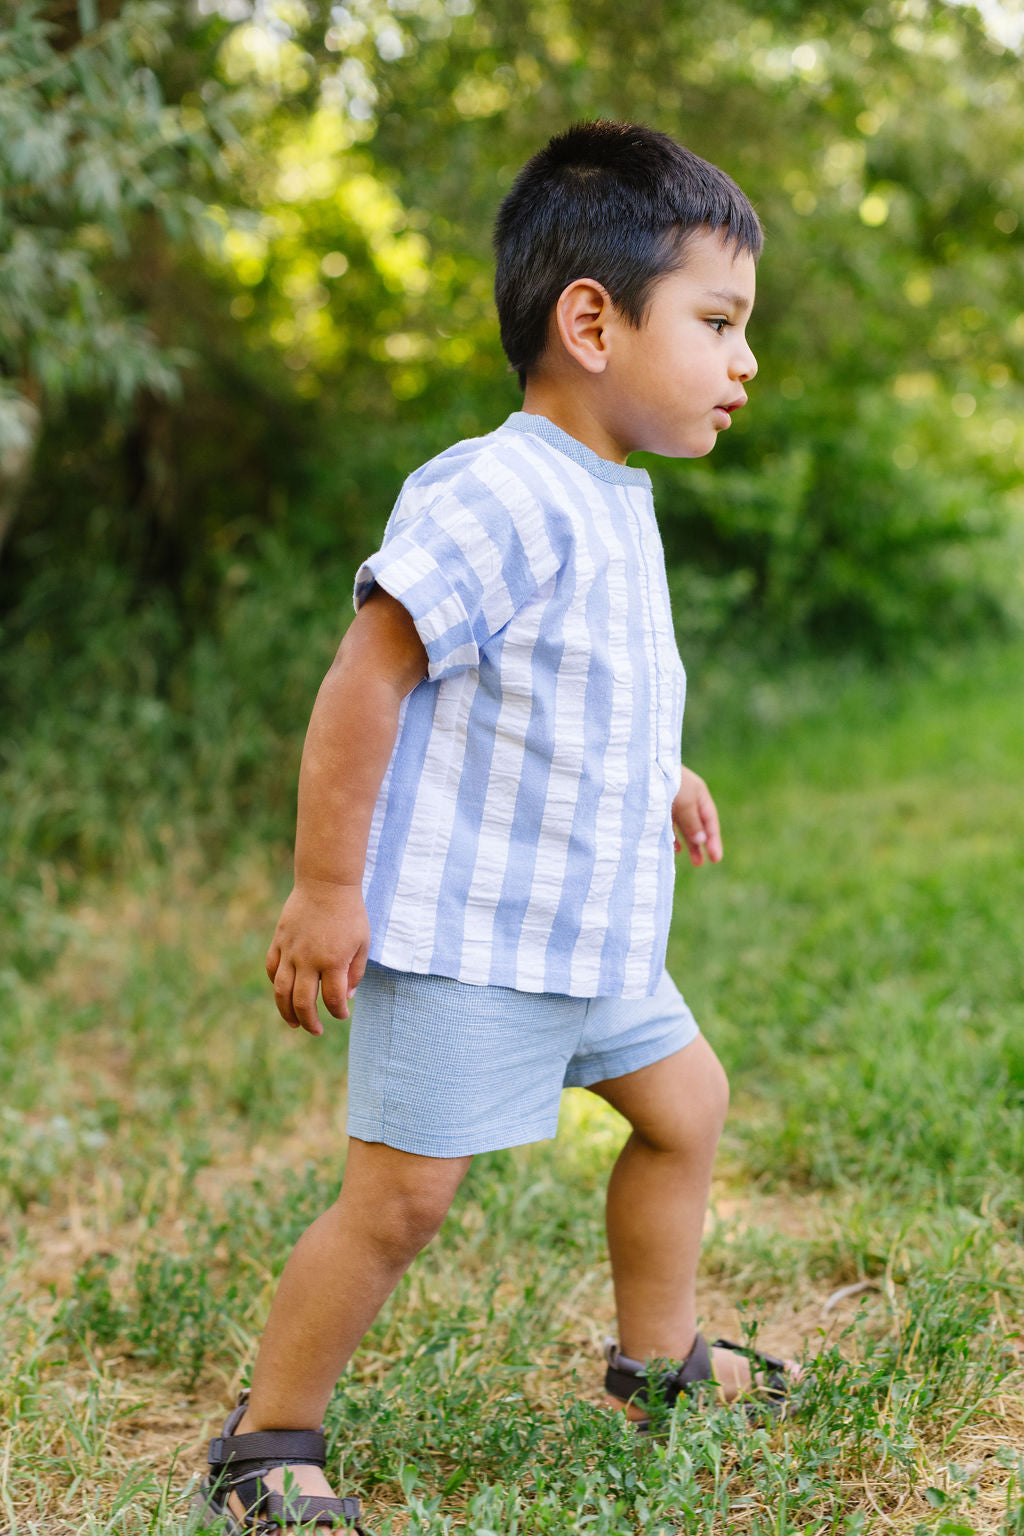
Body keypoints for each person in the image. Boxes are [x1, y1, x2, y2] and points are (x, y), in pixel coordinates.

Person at [199, 119, 801, 1535]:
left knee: (686, 1107)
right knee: (401, 1205)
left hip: (590, 934)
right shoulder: (498, 486)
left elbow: (573, 685)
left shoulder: (611, 497)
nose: (744, 360)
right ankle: (266, 1436)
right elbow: (371, 679)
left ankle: (655, 1362)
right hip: (475, 939)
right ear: (591, 320)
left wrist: (662, 769)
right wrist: (326, 886)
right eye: (718, 322)